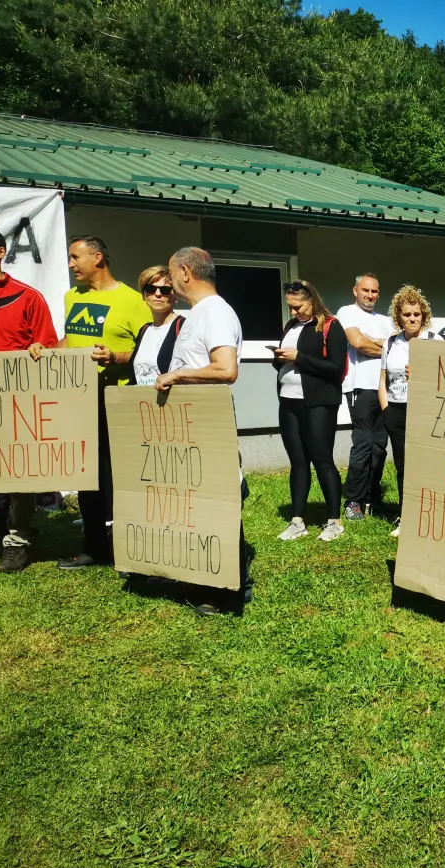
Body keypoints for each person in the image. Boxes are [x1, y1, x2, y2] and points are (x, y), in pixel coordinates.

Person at [157, 246, 250, 616]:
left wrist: (177, 375)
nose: (166, 281)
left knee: (219, 502)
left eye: (169, 273)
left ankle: (226, 591)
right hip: (190, 426)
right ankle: (199, 576)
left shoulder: (216, 312)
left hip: (208, 425)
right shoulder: (197, 314)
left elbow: (225, 369)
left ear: (184, 271)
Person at [58, 235, 152, 569]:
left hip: (119, 398)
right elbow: (71, 338)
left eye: (75, 258)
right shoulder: (73, 297)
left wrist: (115, 356)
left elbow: (148, 350)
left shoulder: (132, 300)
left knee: (120, 475)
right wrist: (45, 350)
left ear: (97, 258)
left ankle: (130, 545)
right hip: (82, 398)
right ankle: (94, 544)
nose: (71, 265)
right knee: (87, 472)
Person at [0, 228, 58, 572]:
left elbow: (48, 348)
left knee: (18, 473)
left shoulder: (27, 297)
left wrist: (38, 350)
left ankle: (16, 540)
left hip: (16, 403)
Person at [272, 280, 349, 542]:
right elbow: (286, 362)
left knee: (322, 459)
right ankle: (297, 520)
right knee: (298, 461)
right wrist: (279, 357)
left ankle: (334, 520)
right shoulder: (291, 326)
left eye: (298, 306)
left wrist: (298, 357)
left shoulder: (331, 326)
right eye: (290, 307)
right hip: (289, 399)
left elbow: (336, 367)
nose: (294, 312)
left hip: (319, 402)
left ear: (312, 299)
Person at [379, 285, 438, 538]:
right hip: (396, 411)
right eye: (407, 314)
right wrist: (386, 411)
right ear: (398, 316)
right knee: (403, 467)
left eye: (416, 314)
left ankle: (430, 516)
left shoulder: (435, 341)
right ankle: (406, 516)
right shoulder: (391, 343)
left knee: (426, 466)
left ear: (423, 315)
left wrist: (423, 375)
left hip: (425, 413)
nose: (412, 318)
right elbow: (382, 380)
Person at [336, 273, 391, 521]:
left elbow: (402, 347)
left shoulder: (386, 320)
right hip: (360, 387)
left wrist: (378, 343)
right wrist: (386, 347)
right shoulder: (347, 312)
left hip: (386, 389)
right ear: (355, 290)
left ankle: (372, 497)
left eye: (375, 291)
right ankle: (353, 500)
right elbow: (358, 343)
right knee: (363, 444)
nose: (370, 295)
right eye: (366, 290)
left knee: (380, 446)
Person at [129, 266, 183, 386]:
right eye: (150, 289)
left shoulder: (184, 327)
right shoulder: (144, 330)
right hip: (143, 402)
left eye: (165, 290)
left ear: (175, 296)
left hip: (173, 403)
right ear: (144, 294)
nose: (158, 294)